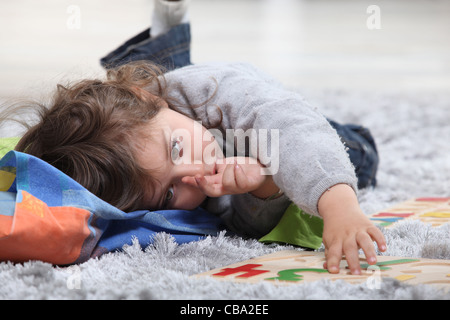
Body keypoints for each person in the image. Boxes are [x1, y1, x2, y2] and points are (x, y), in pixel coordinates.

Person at [9, 0, 386, 275]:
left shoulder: (217, 91)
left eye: (176, 149)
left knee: (357, 156)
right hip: (180, 113)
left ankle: (165, 47)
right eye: (170, 193)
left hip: (272, 118)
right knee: (164, 90)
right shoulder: (166, 157)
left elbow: (293, 128)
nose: (194, 172)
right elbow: (241, 228)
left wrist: (339, 206)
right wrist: (262, 189)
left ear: (149, 99)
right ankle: (166, 43)